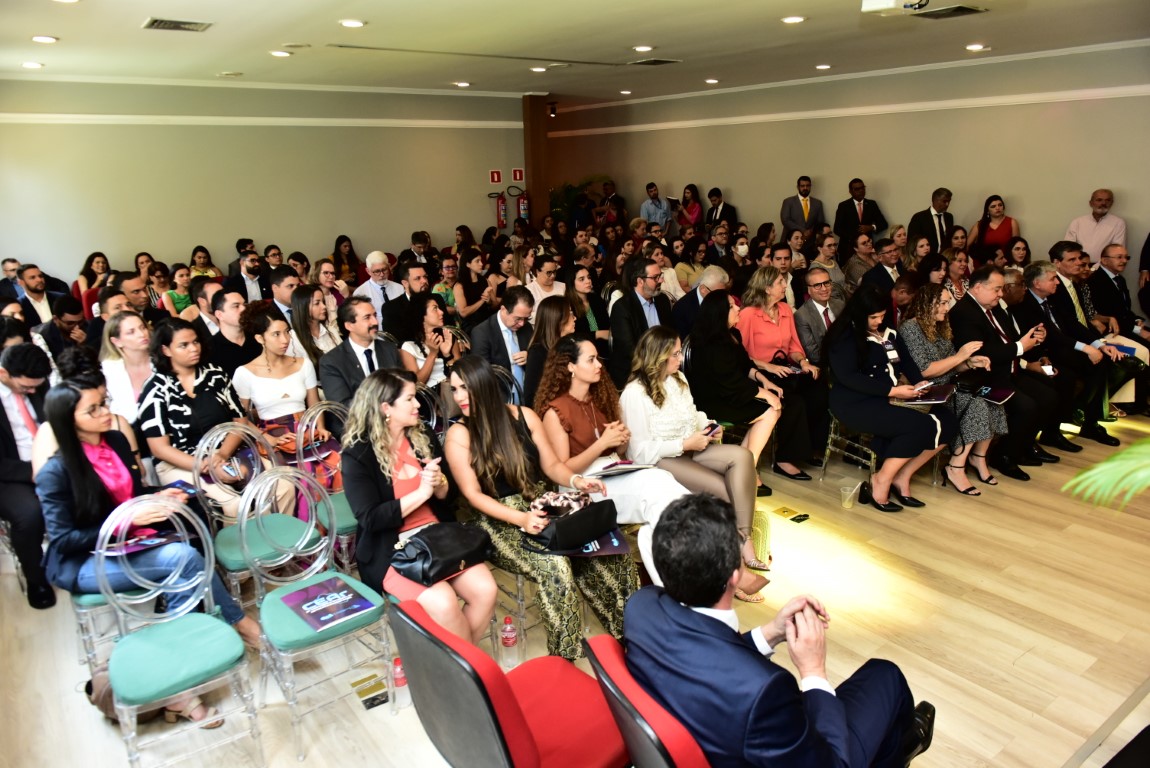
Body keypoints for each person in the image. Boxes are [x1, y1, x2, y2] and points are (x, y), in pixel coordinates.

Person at [624, 493, 933, 768]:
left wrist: (770, 632)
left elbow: (707, 658)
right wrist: (814, 672)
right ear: (735, 576)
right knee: (886, 675)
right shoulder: (765, 690)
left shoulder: (641, 606)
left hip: (706, 729)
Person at [37, 371, 263, 725]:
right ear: (69, 420)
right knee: (183, 559)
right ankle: (236, 624)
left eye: (103, 402)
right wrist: (126, 520)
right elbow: (63, 539)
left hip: (128, 543)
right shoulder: (55, 471)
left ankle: (179, 687)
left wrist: (156, 495)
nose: (105, 412)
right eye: (93, 409)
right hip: (84, 561)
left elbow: (128, 494)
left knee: (188, 547)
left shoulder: (114, 440)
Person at [443, 356, 637, 661]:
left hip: (542, 504)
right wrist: (521, 518)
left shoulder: (525, 416)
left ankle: (630, 636)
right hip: (498, 520)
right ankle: (564, 657)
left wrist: (576, 480)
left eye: (465, 388)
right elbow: (473, 496)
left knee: (611, 549)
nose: (459, 397)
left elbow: (552, 466)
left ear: (484, 385)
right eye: (454, 389)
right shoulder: (460, 434)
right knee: (555, 567)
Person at [341, 368, 496, 640]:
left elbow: (449, 495)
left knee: (486, 590)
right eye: (410, 399)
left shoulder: (421, 434)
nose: (418, 405)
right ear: (386, 408)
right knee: (445, 603)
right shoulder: (358, 454)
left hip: (437, 538)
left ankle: (460, 662)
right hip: (393, 549)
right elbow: (370, 518)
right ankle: (469, 663)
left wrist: (440, 483)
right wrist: (422, 493)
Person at [621, 327, 771, 599]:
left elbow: (692, 414)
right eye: (675, 354)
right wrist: (684, 444)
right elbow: (639, 451)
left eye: (679, 352)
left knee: (744, 457)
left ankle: (743, 540)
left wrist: (708, 425)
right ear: (657, 356)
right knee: (723, 489)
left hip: (691, 447)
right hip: (661, 460)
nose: (680, 358)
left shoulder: (678, 378)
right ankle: (733, 573)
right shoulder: (634, 393)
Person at [535, 334, 690, 584]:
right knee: (656, 493)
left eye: (597, 359)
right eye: (591, 360)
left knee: (664, 481)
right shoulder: (555, 411)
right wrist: (602, 444)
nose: (599, 365)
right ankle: (680, 576)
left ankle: (676, 570)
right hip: (582, 485)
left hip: (612, 470)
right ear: (570, 367)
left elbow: (618, 450)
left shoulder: (599, 398)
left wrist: (622, 438)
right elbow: (563, 470)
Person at [137, 319, 290, 518]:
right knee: (232, 504)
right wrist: (206, 465)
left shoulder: (215, 374)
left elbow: (240, 422)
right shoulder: (155, 389)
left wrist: (222, 456)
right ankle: (243, 539)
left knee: (283, 485)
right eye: (184, 345)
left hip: (225, 452)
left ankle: (274, 533)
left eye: (195, 342)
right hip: (181, 462)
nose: (194, 348)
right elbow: (160, 448)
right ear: (166, 350)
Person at [825, 285, 957, 512]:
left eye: (882, 315)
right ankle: (881, 480)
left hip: (890, 395)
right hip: (855, 402)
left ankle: (902, 476)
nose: (878, 321)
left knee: (949, 422)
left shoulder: (888, 332)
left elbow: (905, 361)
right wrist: (893, 392)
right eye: (873, 317)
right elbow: (849, 377)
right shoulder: (845, 336)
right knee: (918, 426)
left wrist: (919, 382)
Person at [899, 284, 1003, 496]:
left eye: (948, 302)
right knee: (976, 406)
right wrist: (960, 357)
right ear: (927, 304)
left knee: (993, 402)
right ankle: (956, 467)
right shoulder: (911, 328)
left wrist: (971, 362)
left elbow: (953, 365)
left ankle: (978, 458)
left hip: (949, 386)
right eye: (943, 303)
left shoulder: (940, 326)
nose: (947, 308)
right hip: (928, 390)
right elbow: (924, 370)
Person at [686, 290, 783, 490]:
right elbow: (728, 380)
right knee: (771, 411)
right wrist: (766, 395)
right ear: (720, 313)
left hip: (731, 391)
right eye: (731, 306)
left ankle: (744, 467)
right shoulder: (711, 344)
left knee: (774, 408)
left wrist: (765, 382)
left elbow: (745, 365)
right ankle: (748, 470)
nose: (738, 307)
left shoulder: (732, 334)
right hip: (714, 399)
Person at [738, 266, 822, 475]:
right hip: (759, 373)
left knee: (817, 390)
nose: (785, 285)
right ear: (767, 288)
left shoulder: (784, 309)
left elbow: (793, 345)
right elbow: (739, 356)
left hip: (784, 368)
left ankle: (810, 448)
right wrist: (768, 366)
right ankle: (784, 459)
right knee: (794, 401)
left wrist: (803, 362)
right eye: (780, 282)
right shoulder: (748, 315)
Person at [232, 302, 333, 467]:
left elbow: (314, 403)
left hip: (307, 431)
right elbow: (240, 418)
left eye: (287, 332)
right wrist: (266, 438)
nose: (285, 340)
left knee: (334, 466)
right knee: (290, 474)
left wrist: (320, 427)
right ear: (260, 338)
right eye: (276, 334)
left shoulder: (303, 364)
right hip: (270, 435)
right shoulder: (245, 373)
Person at [0, 343, 55, 608]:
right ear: (3, 374)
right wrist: (34, 471)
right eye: (26, 387)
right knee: (30, 514)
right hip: (9, 474)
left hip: (50, 461)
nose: (33, 391)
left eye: (37, 386)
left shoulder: (38, 384)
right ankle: (36, 578)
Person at [318, 296, 401, 410]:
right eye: (367, 317)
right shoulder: (331, 362)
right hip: (358, 419)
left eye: (375, 315)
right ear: (349, 325)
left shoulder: (389, 349)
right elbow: (342, 406)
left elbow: (402, 388)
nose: (375, 322)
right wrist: (383, 409)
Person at [608, 258, 672, 388]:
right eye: (655, 278)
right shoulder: (622, 307)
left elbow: (671, 335)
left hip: (664, 365)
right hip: (635, 372)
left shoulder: (662, 300)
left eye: (660, 275)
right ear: (640, 281)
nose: (661, 280)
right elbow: (630, 350)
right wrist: (657, 366)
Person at [99, 310, 154, 426]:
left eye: (143, 328)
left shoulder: (162, 361)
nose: (141, 334)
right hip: (128, 427)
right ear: (117, 342)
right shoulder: (109, 370)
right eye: (131, 332)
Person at [398, 292, 460, 390]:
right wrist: (433, 354)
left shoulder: (447, 337)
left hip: (451, 389)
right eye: (435, 309)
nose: (441, 312)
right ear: (422, 314)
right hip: (429, 395)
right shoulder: (408, 346)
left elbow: (461, 375)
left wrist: (447, 356)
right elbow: (417, 384)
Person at [522, 295, 575, 408]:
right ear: (558, 319)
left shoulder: (571, 344)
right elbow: (531, 397)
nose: (574, 318)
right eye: (570, 313)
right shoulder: (538, 352)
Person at [832, 178, 888, 261]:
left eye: (863, 188)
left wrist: (871, 227)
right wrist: (854, 239)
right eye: (857, 189)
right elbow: (837, 229)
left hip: (867, 249)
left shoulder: (871, 204)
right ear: (850, 191)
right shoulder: (843, 206)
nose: (861, 191)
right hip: (848, 248)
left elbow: (883, 224)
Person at [1065, 189, 1125, 265]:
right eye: (1099, 200)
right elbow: (1068, 248)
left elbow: (1117, 251)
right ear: (1090, 203)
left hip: (1104, 266)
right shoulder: (1077, 222)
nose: (1103, 203)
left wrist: (1097, 267)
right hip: (1078, 265)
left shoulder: (1118, 223)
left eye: (1107, 200)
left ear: (1112, 203)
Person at [286, 283, 339, 367]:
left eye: (323, 302)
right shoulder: (293, 339)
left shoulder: (331, 330)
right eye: (317, 303)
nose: (324, 306)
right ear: (303, 307)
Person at [453, 247, 495, 333]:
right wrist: (483, 300)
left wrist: (489, 301)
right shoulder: (459, 286)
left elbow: (494, 305)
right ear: (468, 264)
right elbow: (463, 312)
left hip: (487, 320)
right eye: (477, 261)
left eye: (481, 260)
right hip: (471, 325)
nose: (481, 264)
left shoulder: (485, 281)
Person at [907, 187, 954, 254]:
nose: (947, 204)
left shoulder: (949, 217)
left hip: (945, 257)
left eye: (949, 201)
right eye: (944, 201)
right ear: (935, 200)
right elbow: (912, 242)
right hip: (926, 257)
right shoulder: (919, 218)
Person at [779, 175, 826, 240]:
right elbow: (785, 220)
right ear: (798, 187)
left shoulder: (818, 203)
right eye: (802, 186)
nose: (805, 188)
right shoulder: (788, 202)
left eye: (808, 186)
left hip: (810, 240)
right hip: (790, 239)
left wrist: (810, 231)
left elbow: (820, 222)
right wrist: (803, 230)